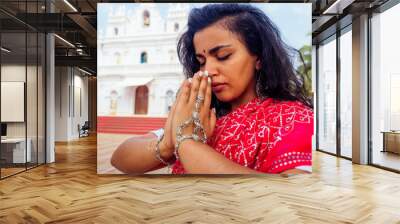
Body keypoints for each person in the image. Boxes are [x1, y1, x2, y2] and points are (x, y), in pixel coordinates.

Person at [111, 3, 313, 174]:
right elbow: (120, 158)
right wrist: (168, 145)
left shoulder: (292, 119)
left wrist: (188, 144)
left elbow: (291, 197)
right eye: (201, 61)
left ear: (258, 57)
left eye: (223, 56)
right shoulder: (203, 118)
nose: (207, 71)